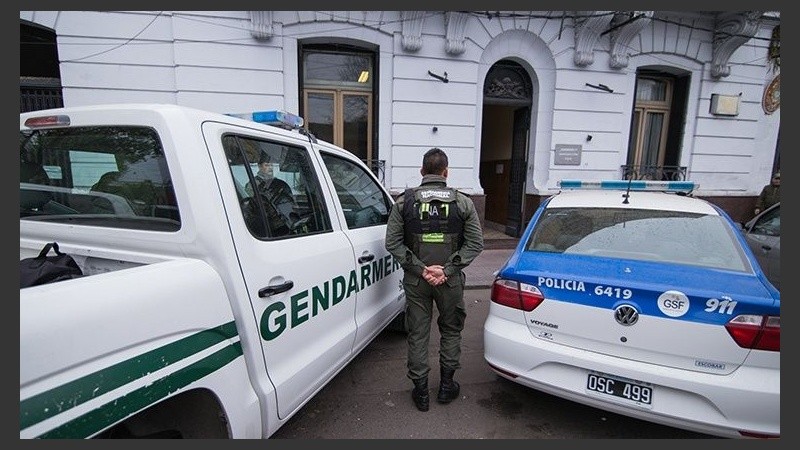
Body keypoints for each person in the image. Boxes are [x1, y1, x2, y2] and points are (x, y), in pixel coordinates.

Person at [385, 147, 484, 412]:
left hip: (417, 282)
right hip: (449, 282)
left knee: (418, 332)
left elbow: (392, 243)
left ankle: (421, 392)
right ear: (446, 173)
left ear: (421, 171)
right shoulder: (463, 203)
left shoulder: (403, 202)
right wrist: (448, 270)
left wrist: (421, 269)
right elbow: (475, 243)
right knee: (451, 329)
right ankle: (446, 386)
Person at [246, 152, 297, 235]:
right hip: (267, 225)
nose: (270, 168)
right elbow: (255, 205)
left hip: (284, 221)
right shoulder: (253, 184)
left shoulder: (279, 184)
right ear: (259, 166)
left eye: (271, 165)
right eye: (266, 165)